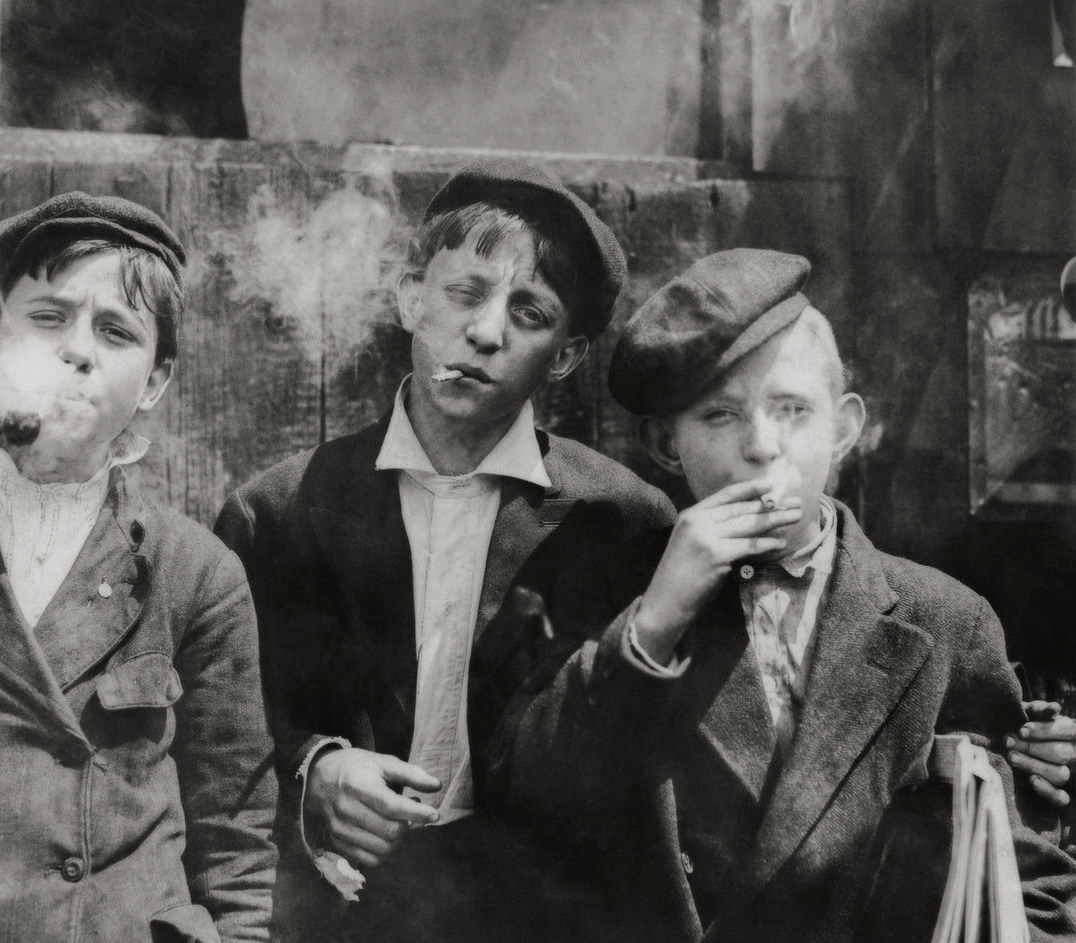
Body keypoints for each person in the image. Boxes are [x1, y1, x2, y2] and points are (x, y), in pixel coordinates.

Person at [481, 248, 1076, 942]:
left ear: (847, 426)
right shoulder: (608, 593)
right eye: (719, 416)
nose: (762, 446)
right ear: (664, 442)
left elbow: (1031, 890)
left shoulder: (943, 619)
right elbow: (525, 805)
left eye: (792, 409)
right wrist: (654, 623)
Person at [214, 159, 675, 942]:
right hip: (339, 917)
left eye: (530, 314)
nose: (487, 331)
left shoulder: (622, 525)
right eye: (465, 294)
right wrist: (313, 769)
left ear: (563, 357)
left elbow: (641, 766)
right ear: (410, 298)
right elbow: (222, 724)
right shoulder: (281, 510)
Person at [0, 193, 278, 943]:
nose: (79, 349)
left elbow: (237, 838)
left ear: (154, 382)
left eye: (116, 331)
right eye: (49, 317)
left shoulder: (194, 572)